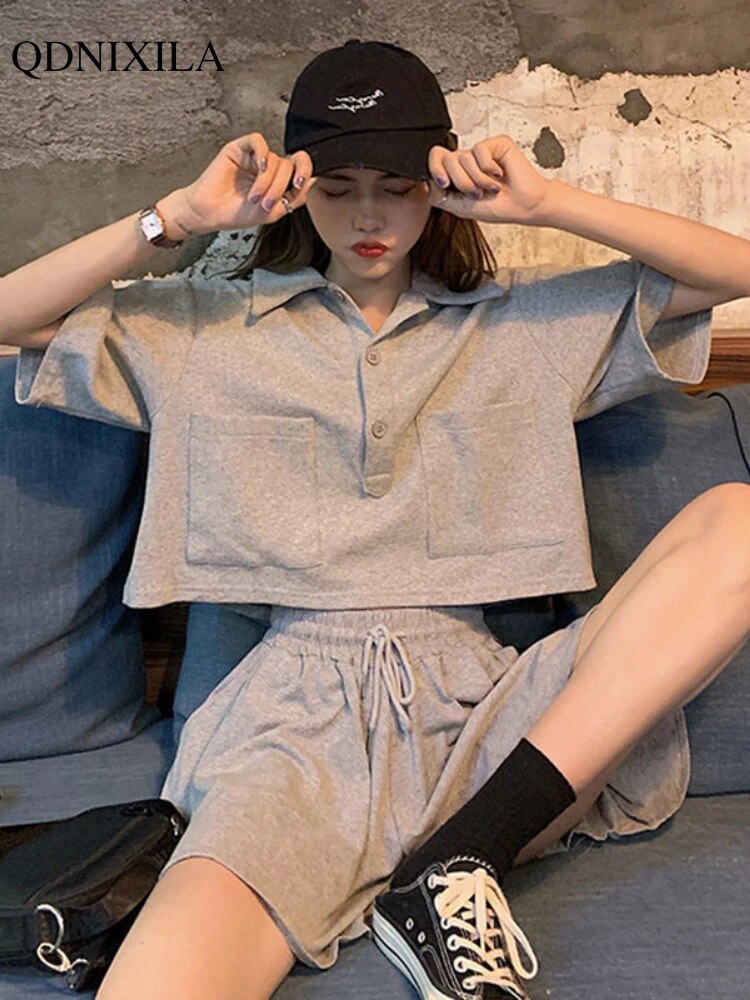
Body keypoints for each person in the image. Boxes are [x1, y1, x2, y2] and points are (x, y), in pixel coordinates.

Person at [2, 36, 750, 1000]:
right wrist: (176, 217)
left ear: (437, 184)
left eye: (396, 187)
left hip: (490, 724)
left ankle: (459, 862)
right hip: (284, 734)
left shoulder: (522, 323)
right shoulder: (203, 330)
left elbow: (733, 270)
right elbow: (13, 318)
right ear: (295, 187)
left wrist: (547, 202)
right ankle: (438, 876)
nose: (367, 216)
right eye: (338, 186)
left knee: (738, 518)